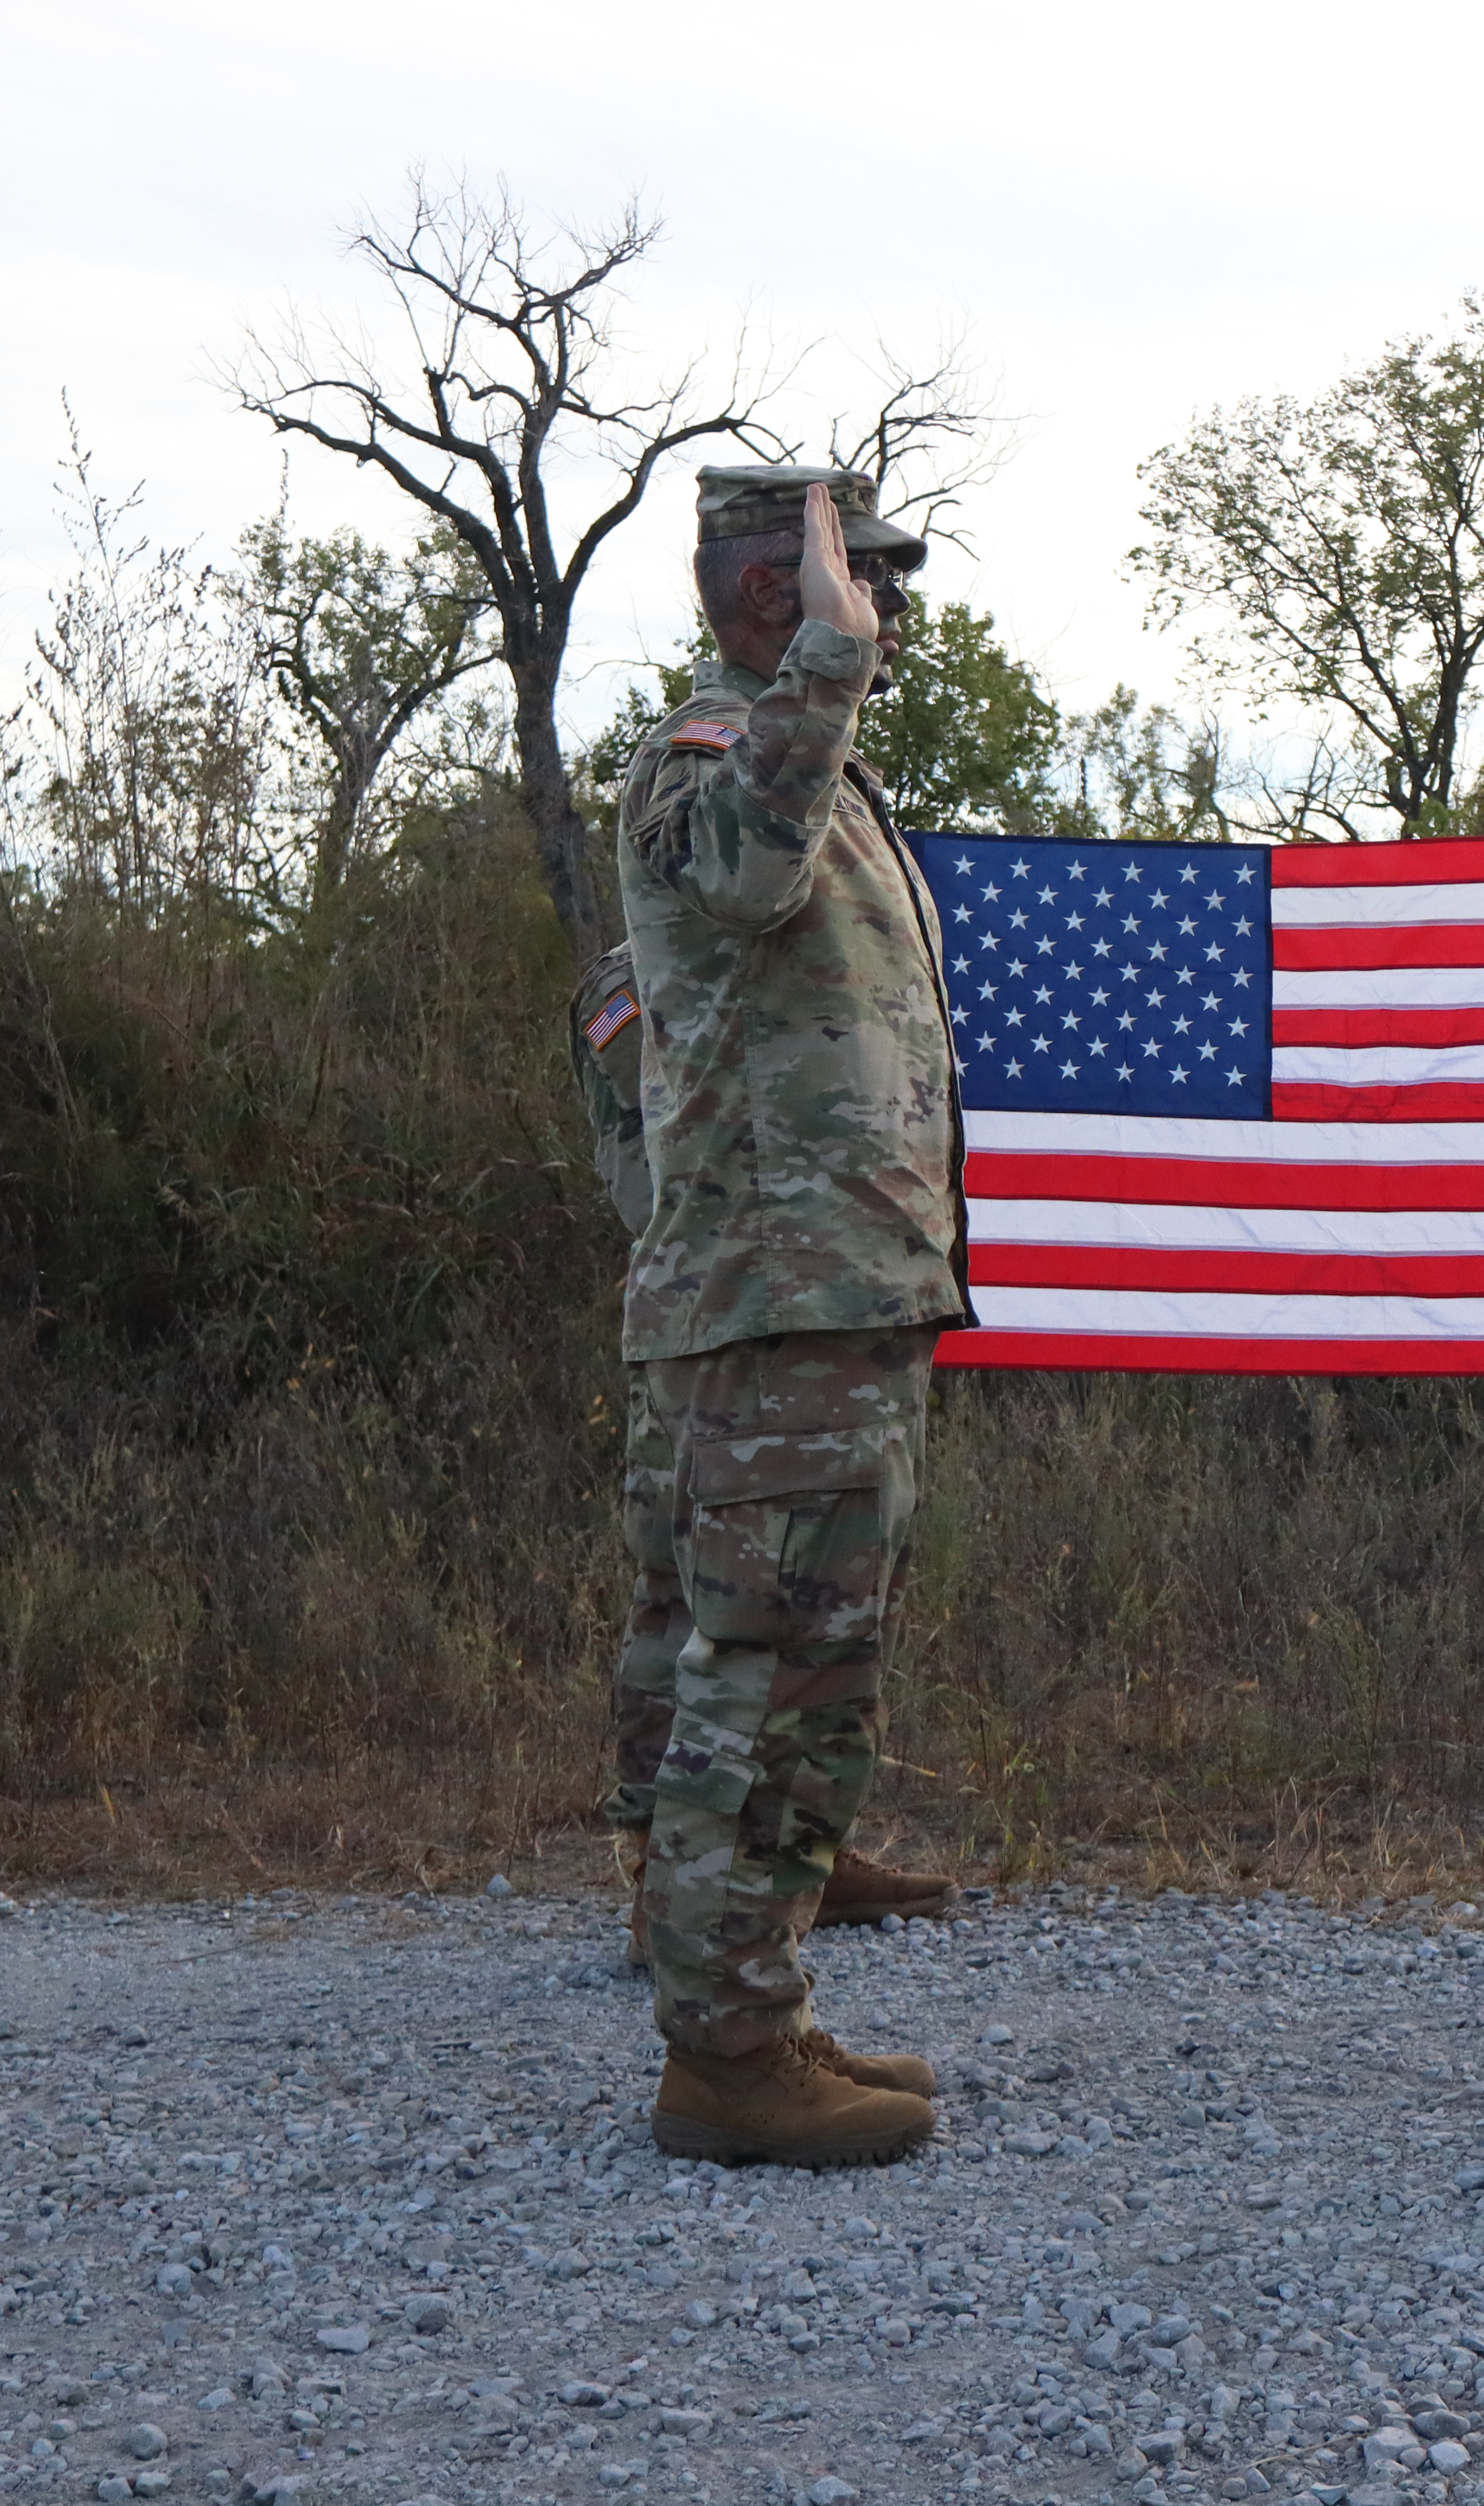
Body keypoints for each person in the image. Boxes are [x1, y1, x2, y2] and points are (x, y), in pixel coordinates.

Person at [603, 466, 970, 2167]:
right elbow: (748, 886)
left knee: (820, 1675)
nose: (884, 609)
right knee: (752, 1676)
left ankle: (766, 2013)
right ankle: (724, 2056)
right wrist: (828, 667)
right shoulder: (705, 769)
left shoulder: (802, 762)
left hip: (836, 1296)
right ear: (778, 600)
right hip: (769, 1300)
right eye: (855, 582)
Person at [572, 943, 959, 1977]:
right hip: (710, 1318)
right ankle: (669, 1879)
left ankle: (793, 1854)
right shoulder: (640, 978)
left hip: (779, 1310)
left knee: (816, 1604)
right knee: (685, 1597)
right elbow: (683, 1129)